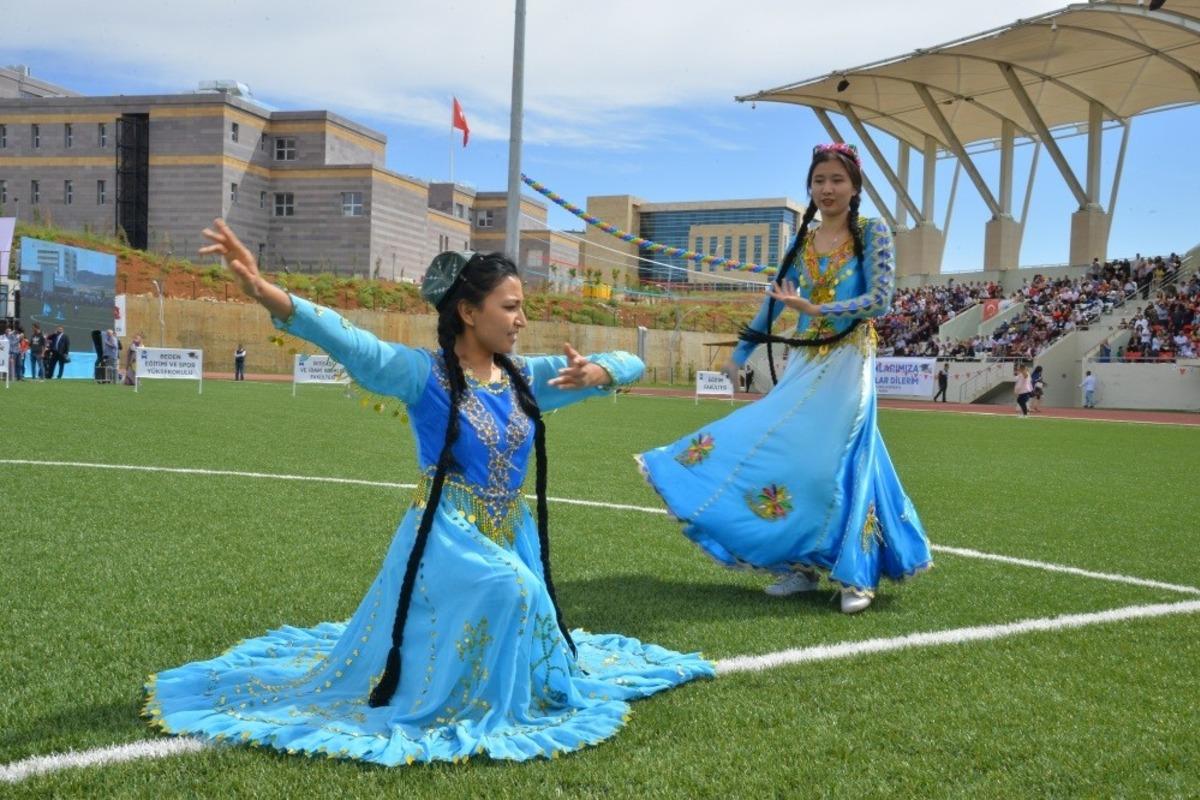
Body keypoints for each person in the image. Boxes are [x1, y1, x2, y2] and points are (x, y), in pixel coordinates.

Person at [144, 219, 713, 766]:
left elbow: (632, 361)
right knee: (512, 588)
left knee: (521, 594)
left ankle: (494, 682)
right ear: (468, 311)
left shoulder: (527, 376)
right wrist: (264, 291)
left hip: (510, 532)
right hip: (446, 531)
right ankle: (461, 696)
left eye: (521, 307)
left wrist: (598, 374)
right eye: (510, 307)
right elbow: (351, 342)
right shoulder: (423, 374)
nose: (521, 320)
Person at [637, 144, 932, 614]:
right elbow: (772, 304)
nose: (827, 189)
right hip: (804, 361)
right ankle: (799, 565)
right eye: (819, 180)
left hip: (849, 360)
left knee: (833, 460)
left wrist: (817, 308)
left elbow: (880, 299)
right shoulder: (803, 242)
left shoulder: (872, 232)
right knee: (781, 449)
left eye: (837, 179)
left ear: (855, 186)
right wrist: (738, 357)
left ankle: (855, 572)